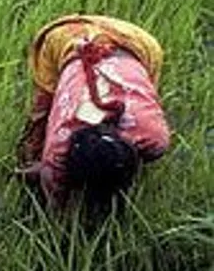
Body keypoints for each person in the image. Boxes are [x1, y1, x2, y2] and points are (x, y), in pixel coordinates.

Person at [17, 15, 170, 211]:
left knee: (143, 96)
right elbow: (56, 207)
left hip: (139, 45)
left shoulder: (154, 139)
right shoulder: (58, 149)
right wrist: (37, 162)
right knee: (43, 109)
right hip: (67, 38)